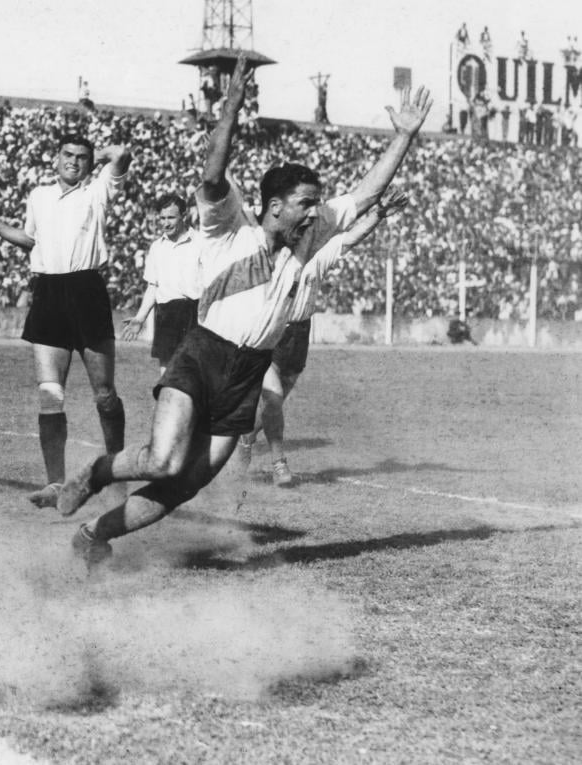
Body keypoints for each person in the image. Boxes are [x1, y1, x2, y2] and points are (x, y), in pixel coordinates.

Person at [50, 56, 432, 568]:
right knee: (162, 461)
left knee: (186, 484)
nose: (316, 210)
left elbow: (365, 193)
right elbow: (213, 170)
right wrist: (230, 104)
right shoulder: (232, 227)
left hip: (248, 373)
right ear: (277, 206)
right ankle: (96, 474)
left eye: (317, 203)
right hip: (203, 355)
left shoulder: (311, 239)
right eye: (306, 202)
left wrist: (403, 137)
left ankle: (92, 536)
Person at [0, 134, 132, 505]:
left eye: (81, 158)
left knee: (104, 395)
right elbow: (29, 240)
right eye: (67, 155)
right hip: (49, 293)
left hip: (87, 290)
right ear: (54, 159)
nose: (74, 162)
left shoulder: (98, 190)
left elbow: (120, 153)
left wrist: (94, 156)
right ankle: (55, 483)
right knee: (49, 395)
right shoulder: (38, 196)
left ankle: (117, 469)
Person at [236, 189, 410, 487]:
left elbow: (351, 237)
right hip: (268, 332)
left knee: (272, 406)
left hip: (298, 335)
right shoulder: (265, 251)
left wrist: (378, 213)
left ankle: (243, 442)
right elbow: (242, 209)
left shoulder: (317, 256)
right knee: (273, 398)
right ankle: (279, 465)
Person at [120, 194, 202, 376]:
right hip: (167, 315)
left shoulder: (201, 243)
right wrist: (140, 318)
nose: (166, 223)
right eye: (162, 218)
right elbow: (152, 287)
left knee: (197, 374)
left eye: (171, 217)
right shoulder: (157, 247)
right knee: (168, 374)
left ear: (184, 215)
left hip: (196, 314)